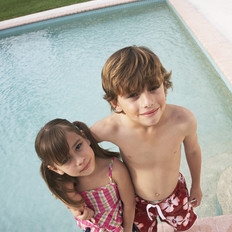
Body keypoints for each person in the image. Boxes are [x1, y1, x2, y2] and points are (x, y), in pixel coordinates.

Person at [91, 46, 202, 231]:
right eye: (133, 95)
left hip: (174, 193)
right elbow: (72, 152)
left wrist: (196, 185)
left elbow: (193, 150)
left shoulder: (183, 120)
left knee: (183, 227)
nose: (147, 102)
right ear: (116, 104)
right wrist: (74, 203)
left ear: (164, 86)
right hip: (135, 201)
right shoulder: (111, 129)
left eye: (153, 88)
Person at [35, 119, 136, 232]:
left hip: (120, 228)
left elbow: (129, 203)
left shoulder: (114, 169)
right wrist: (78, 212)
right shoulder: (66, 184)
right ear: (56, 169)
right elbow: (71, 205)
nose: (79, 160)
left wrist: (127, 230)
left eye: (78, 146)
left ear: (85, 138)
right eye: (66, 160)